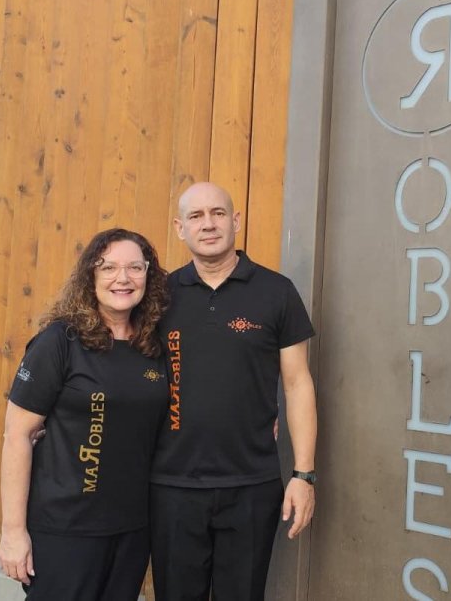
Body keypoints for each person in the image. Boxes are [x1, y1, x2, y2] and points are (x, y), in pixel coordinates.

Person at [150, 182, 318, 601]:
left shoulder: (276, 292)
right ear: (179, 228)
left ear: (236, 221)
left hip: (251, 484)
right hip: (172, 485)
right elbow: (126, 378)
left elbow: (297, 384)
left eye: (218, 213)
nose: (208, 224)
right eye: (196, 216)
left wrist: (303, 474)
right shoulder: (158, 297)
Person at [0, 228, 170, 600]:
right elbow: (18, 436)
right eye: (108, 268)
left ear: (148, 277)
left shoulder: (153, 347)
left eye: (135, 268)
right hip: (65, 528)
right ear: (90, 276)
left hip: (132, 528)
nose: (122, 279)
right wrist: (13, 532)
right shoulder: (59, 341)